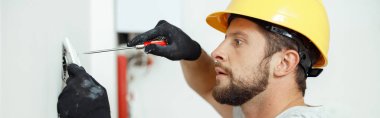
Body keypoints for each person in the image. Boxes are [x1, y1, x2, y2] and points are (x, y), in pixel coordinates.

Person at [58, 0, 330, 117]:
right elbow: (209, 87)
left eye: (238, 42)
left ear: (284, 62)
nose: (217, 52)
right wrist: (192, 53)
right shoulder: (255, 111)